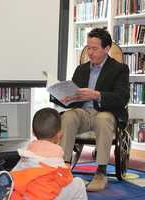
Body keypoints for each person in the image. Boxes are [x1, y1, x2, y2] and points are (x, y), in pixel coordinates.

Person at [59, 28, 130, 192]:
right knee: (68, 116)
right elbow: (73, 99)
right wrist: (66, 98)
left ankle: (101, 172)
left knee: (102, 119)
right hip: (83, 114)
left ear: (106, 49)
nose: (90, 52)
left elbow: (122, 98)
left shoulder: (120, 69)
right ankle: (63, 169)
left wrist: (97, 95)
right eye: (88, 48)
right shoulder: (81, 69)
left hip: (106, 114)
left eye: (94, 48)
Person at [9, 107, 87, 200]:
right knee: (79, 183)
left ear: (33, 132)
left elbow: (14, 175)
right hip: (47, 196)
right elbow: (66, 180)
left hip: (24, 195)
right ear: (60, 135)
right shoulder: (56, 155)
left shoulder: (26, 153)